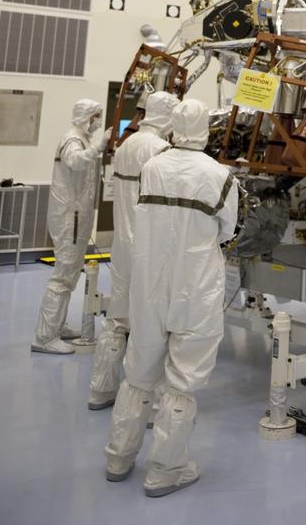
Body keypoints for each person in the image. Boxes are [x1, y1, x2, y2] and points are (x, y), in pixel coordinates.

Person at [104, 98, 238, 497]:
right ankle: (165, 469)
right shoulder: (220, 175)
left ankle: (117, 457)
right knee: (182, 378)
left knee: (140, 372)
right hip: (194, 285)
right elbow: (227, 230)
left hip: (150, 282)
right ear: (207, 130)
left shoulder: (151, 167)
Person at [88, 91, 178, 409]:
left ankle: (101, 388)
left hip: (122, 245)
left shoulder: (127, 144)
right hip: (148, 247)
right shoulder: (160, 149)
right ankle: (147, 401)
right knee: (149, 322)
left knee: (118, 317)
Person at [32, 99, 110, 354]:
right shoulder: (72, 140)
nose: (98, 121)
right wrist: (99, 147)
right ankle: (44, 337)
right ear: (85, 116)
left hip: (77, 217)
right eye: (96, 116)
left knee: (71, 275)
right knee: (63, 277)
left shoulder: (83, 139)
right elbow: (75, 162)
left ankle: (57, 325)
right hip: (69, 218)